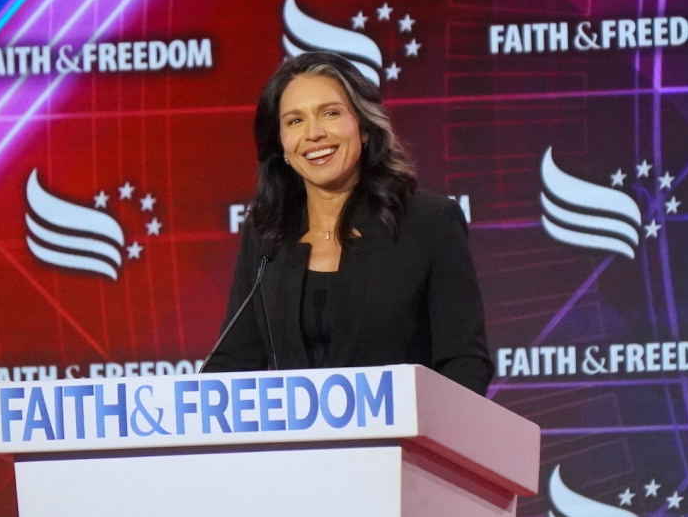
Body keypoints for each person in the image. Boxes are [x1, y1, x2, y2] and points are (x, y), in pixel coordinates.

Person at [203, 51, 494, 395]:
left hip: (402, 444)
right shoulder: (267, 232)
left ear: (364, 127)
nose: (314, 134)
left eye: (330, 113)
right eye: (295, 121)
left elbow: (464, 363)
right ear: (281, 144)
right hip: (297, 448)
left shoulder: (429, 223)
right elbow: (233, 361)